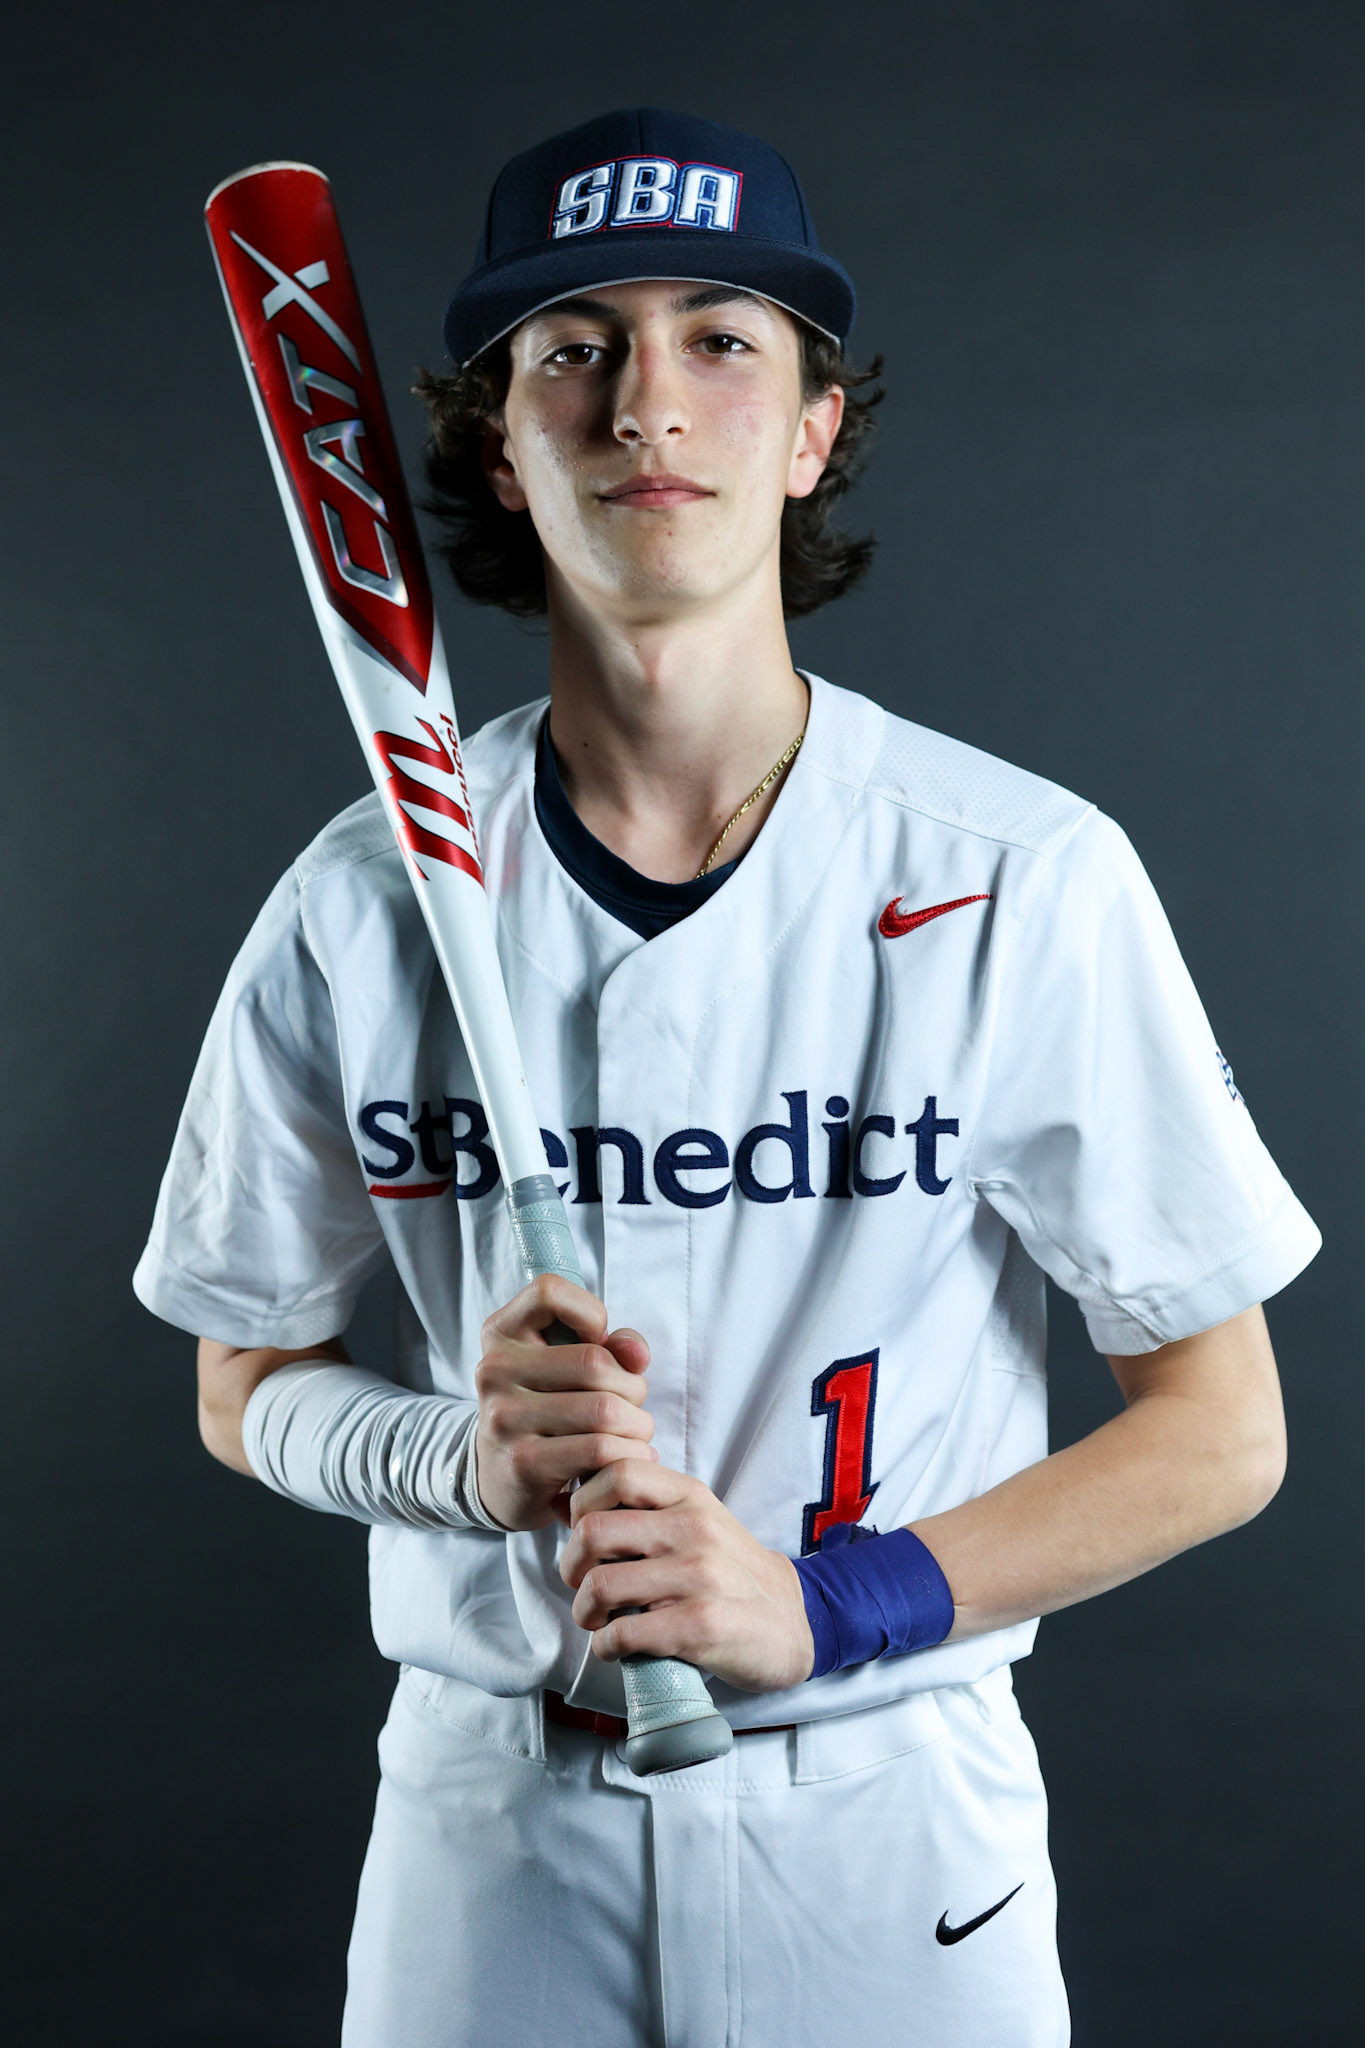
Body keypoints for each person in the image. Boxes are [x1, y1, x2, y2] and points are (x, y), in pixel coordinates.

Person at [135, 108, 1320, 2047]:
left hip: (888, 1822)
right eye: (574, 348)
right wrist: (451, 1454)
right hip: (490, 1827)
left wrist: (829, 1601)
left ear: (808, 431)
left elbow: (1219, 1427)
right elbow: (237, 1384)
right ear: (499, 443)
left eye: (720, 340)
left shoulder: (1013, 873)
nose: (645, 404)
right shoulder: (359, 906)